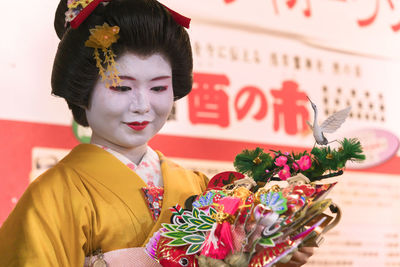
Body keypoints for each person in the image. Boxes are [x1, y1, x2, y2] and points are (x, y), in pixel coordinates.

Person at [0, 0, 313, 266]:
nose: (142, 105)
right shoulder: (52, 197)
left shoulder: (198, 186)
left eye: (159, 87)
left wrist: (274, 253)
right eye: (121, 87)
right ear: (82, 92)